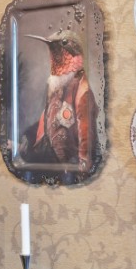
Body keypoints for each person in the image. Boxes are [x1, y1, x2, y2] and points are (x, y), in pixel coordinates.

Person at [21, 29, 98, 169]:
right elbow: (47, 120)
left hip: (68, 166)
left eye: (64, 42)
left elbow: (86, 136)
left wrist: (82, 165)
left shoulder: (82, 92)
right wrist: (26, 138)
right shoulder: (56, 88)